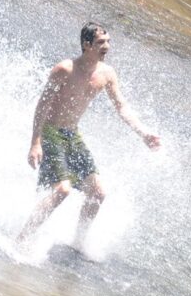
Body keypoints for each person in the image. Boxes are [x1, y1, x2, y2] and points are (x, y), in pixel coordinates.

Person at [17, 22, 161, 248]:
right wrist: (35, 142)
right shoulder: (65, 69)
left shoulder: (107, 73)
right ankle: (22, 239)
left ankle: (77, 244)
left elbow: (121, 107)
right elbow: (42, 105)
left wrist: (143, 133)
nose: (107, 46)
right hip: (50, 132)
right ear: (87, 45)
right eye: (101, 42)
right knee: (62, 190)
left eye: (109, 41)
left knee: (98, 193)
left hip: (72, 135)